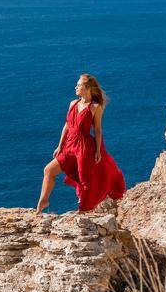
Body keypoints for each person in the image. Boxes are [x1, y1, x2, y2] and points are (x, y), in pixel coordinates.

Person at [35, 73, 127, 214]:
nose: (76, 87)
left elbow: (97, 130)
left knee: (85, 182)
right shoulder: (73, 103)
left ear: (88, 88)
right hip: (69, 145)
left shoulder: (95, 107)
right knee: (48, 170)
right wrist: (60, 146)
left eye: (79, 85)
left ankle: (84, 210)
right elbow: (67, 125)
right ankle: (44, 200)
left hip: (84, 147)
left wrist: (97, 151)